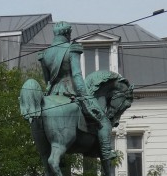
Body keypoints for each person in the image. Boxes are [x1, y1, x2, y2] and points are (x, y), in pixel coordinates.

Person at [38, 21, 115, 166]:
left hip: (53, 94)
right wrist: (86, 95)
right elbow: (77, 76)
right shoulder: (71, 49)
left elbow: (47, 81)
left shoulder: (45, 54)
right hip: (70, 92)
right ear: (67, 34)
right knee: (103, 120)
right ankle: (106, 152)